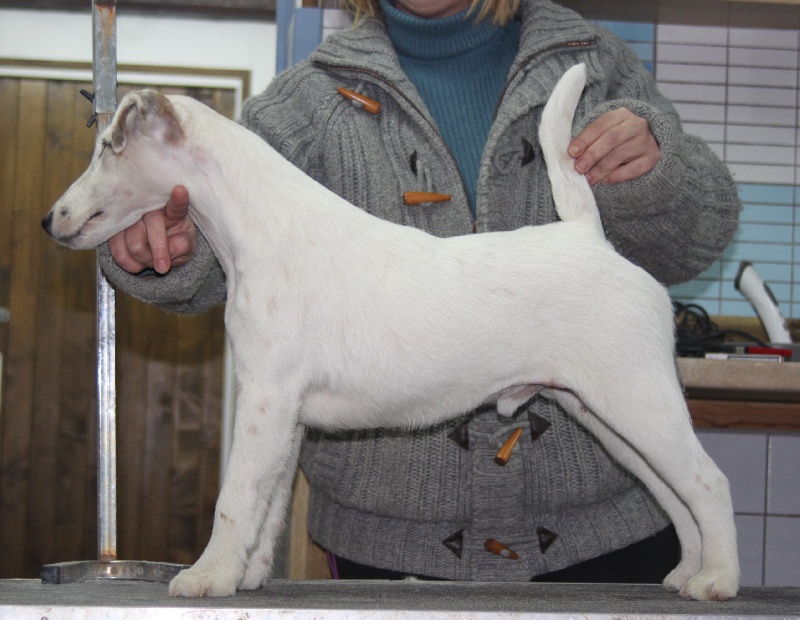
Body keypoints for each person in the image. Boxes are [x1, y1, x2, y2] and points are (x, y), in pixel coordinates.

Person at [100, 0, 741, 582]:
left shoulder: (596, 62)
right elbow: (222, 257)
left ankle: (713, 547)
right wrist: (164, 247)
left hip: (609, 542)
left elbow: (703, 229)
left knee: (663, 446)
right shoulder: (300, 104)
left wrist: (655, 171)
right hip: (388, 550)